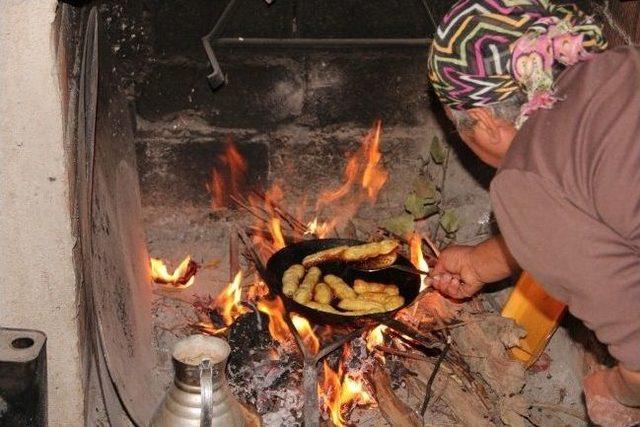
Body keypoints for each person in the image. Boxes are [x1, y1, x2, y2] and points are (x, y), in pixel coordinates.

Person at [427, 0, 640, 424]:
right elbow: (579, 206)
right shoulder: (622, 64)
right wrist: (481, 261)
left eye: (459, 127)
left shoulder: (523, 182)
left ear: (484, 121)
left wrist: (612, 389)